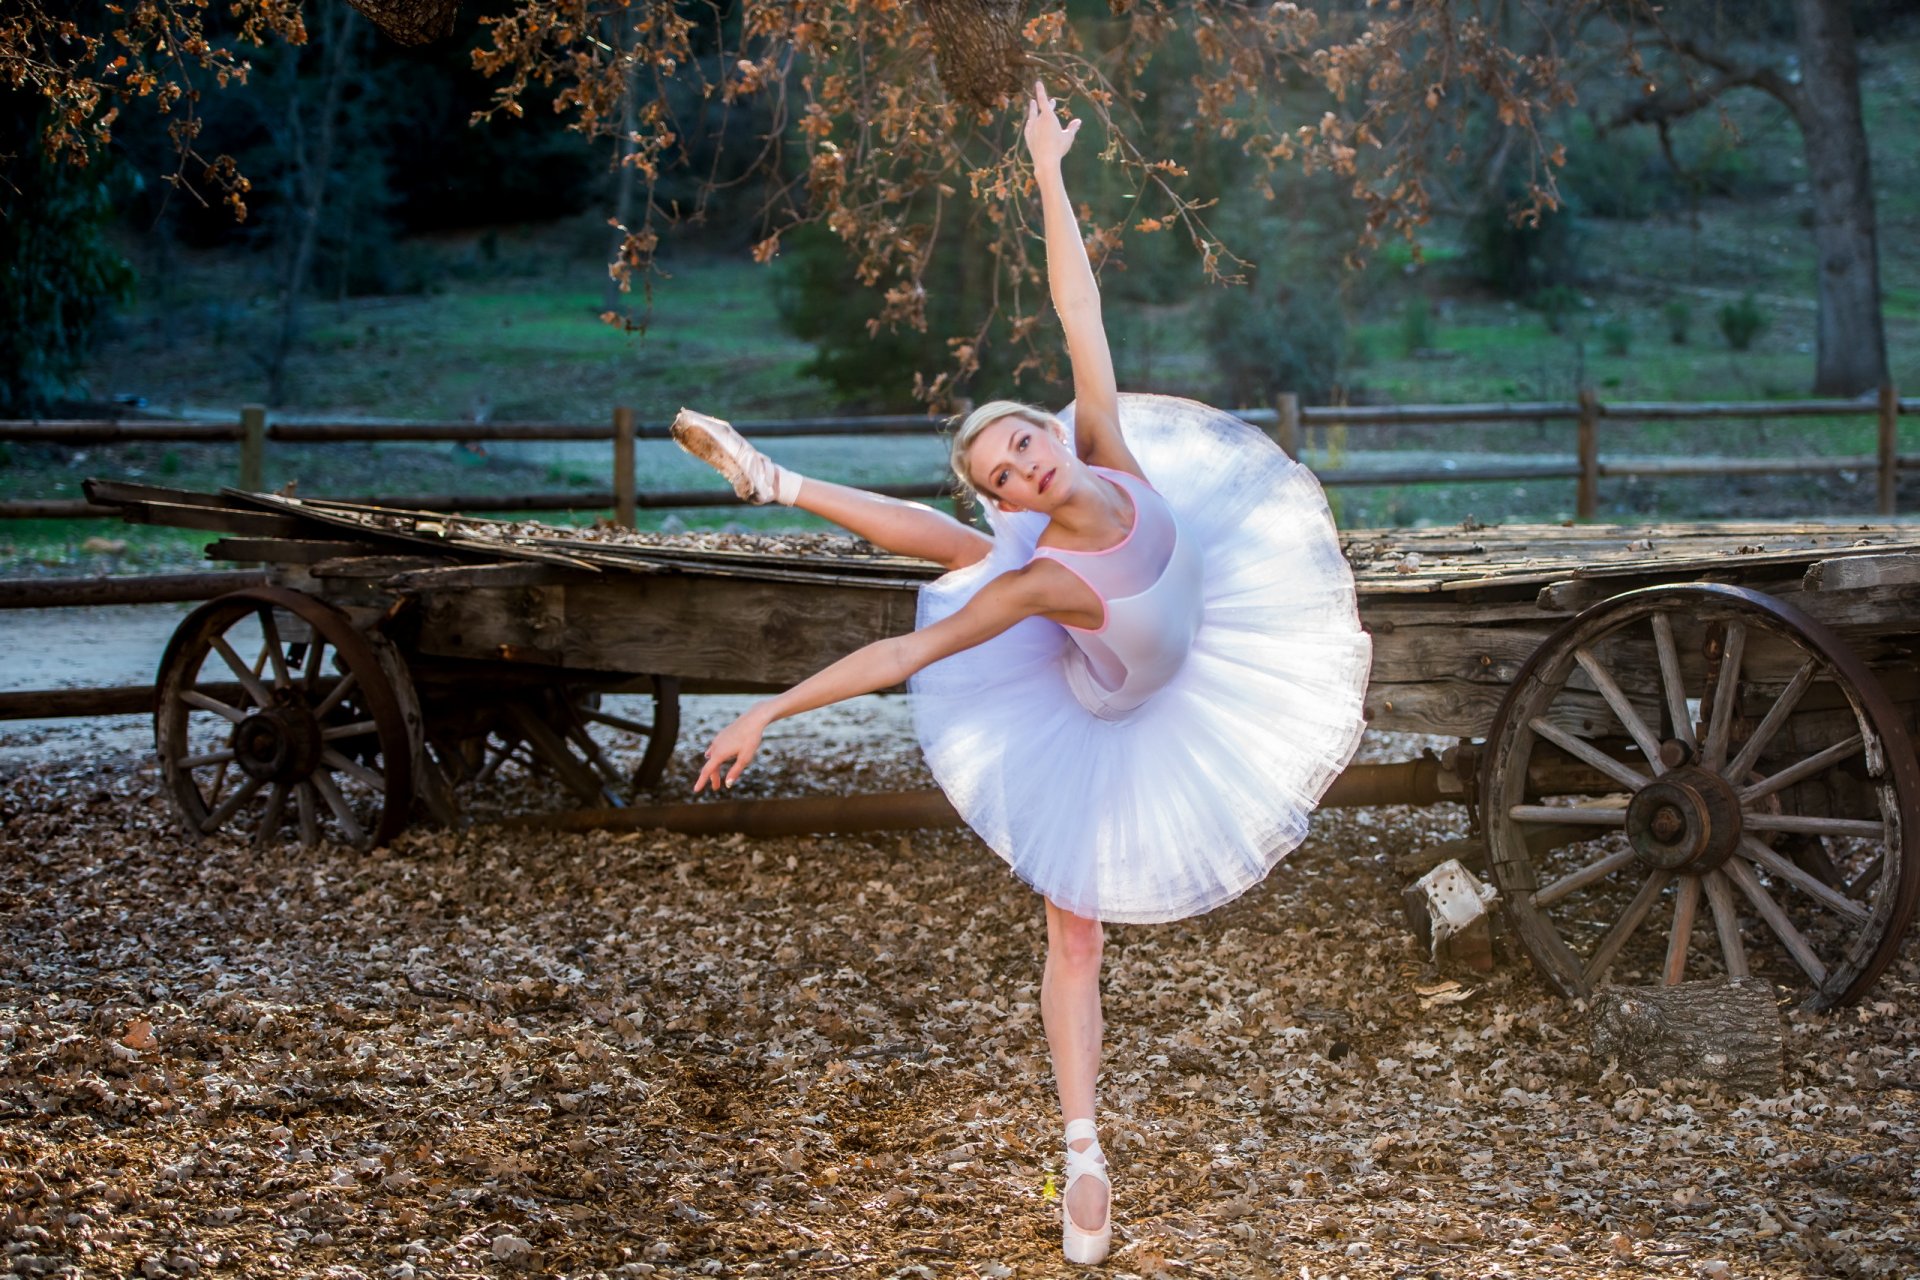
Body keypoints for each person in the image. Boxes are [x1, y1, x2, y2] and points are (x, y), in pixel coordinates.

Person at [672, 81, 1370, 1266]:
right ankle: (1084, 1147)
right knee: (1078, 936)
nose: (1026, 466)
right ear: (1006, 497)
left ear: (1045, 431)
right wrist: (773, 708)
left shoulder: (1105, 440)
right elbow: (910, 652)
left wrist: (1048, 168)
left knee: (952, 552)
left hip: (1200, 657)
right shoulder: (1043, 571)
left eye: (1022, 441)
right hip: (1094, 707)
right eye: (1003, 475)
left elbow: (1075, 301)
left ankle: (778, 481)